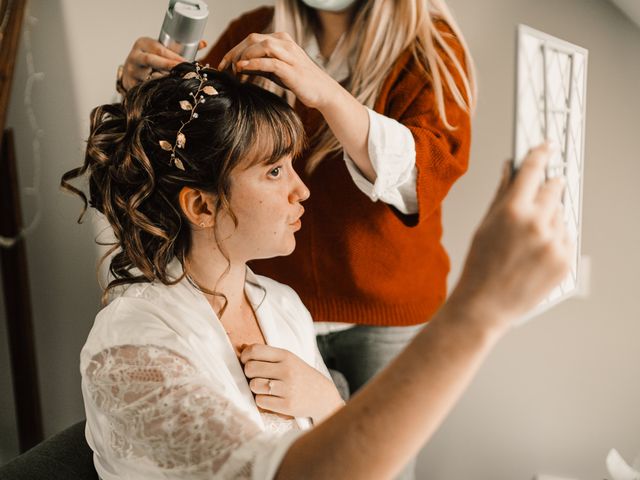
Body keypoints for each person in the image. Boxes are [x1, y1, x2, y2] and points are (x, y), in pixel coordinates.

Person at [63, 63, 571, 479]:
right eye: (275, 170)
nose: (302, 191)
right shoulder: (133, 344)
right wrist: (479, 309)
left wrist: (329, 401)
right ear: (201, 206)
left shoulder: (281, 305)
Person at [118, 1, 478, 433]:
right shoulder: (254, 34)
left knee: (377, 458)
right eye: (276, 170)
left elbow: (421, 177)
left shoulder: (428, 49)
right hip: (269, 304)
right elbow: (186, 138)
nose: (300, 190)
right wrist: (139, 90)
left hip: (385, 312)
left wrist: (326, 93)